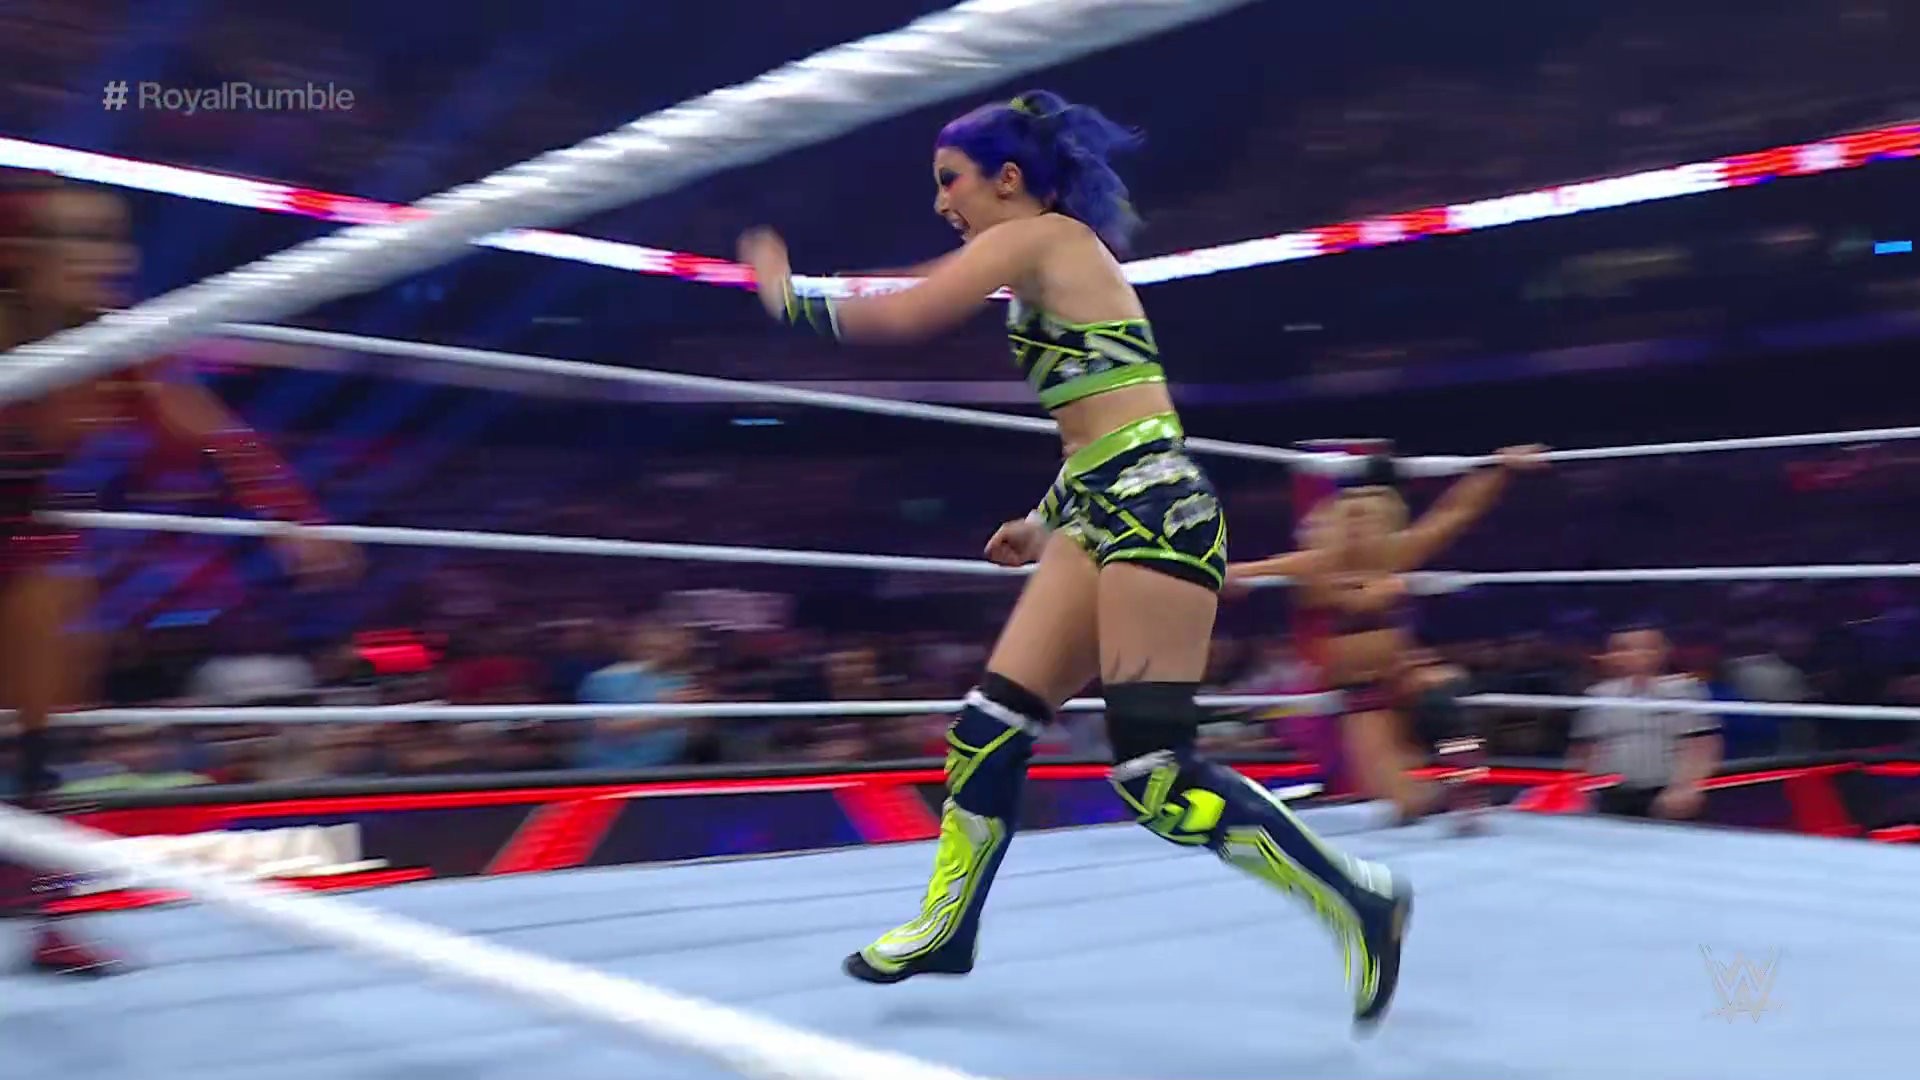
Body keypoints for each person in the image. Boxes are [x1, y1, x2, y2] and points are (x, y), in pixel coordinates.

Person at [738, 90, 1409, 1029]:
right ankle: (947, 926)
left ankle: (1357, 896)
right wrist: (1042, 518)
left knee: (1157, 777)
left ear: (1008, 179)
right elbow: (1110, 418)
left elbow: (910, 310)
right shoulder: (1046, 260)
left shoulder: (1040, 238)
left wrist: (785, 292)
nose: (940, 202)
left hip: (1156, 512)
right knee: (988, 728)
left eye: (950, 181)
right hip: (1101, 506)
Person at [1, 170, 357, 974]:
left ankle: (47, 917)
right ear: (18, 250)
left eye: (112, 237)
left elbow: (216, 435)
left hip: (28, 537)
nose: (109, 256)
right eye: (81, 237)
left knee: (40, 745)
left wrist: (291, 515)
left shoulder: (118, 345)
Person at [1225, 448, 1544, 824]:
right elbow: (1243, 574)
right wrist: (1200, 574)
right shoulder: (1314, 564)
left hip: (1401, 673)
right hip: (1358, 691)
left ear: (1385, 520)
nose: (1358, 525)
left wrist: (1500, 468)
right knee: (1406, 804)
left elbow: (1454, 512)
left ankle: (1467, 784)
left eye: (1367, 517)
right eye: (1350, 516)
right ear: (1333, 522)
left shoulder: (1395, 554)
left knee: (1444, 688)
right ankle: (1436, 789)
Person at [1570, 627, 1720, 819]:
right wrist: (1580, 789)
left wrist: (1685, 787)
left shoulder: (1684, 690)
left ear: (1662, 651)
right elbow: (1584, 749)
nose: (1634, 654)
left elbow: (1701, 746)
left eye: (1644, 647)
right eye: (1623, 648)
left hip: (1665, 794)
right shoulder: (1599, 695)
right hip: (1610, 794)